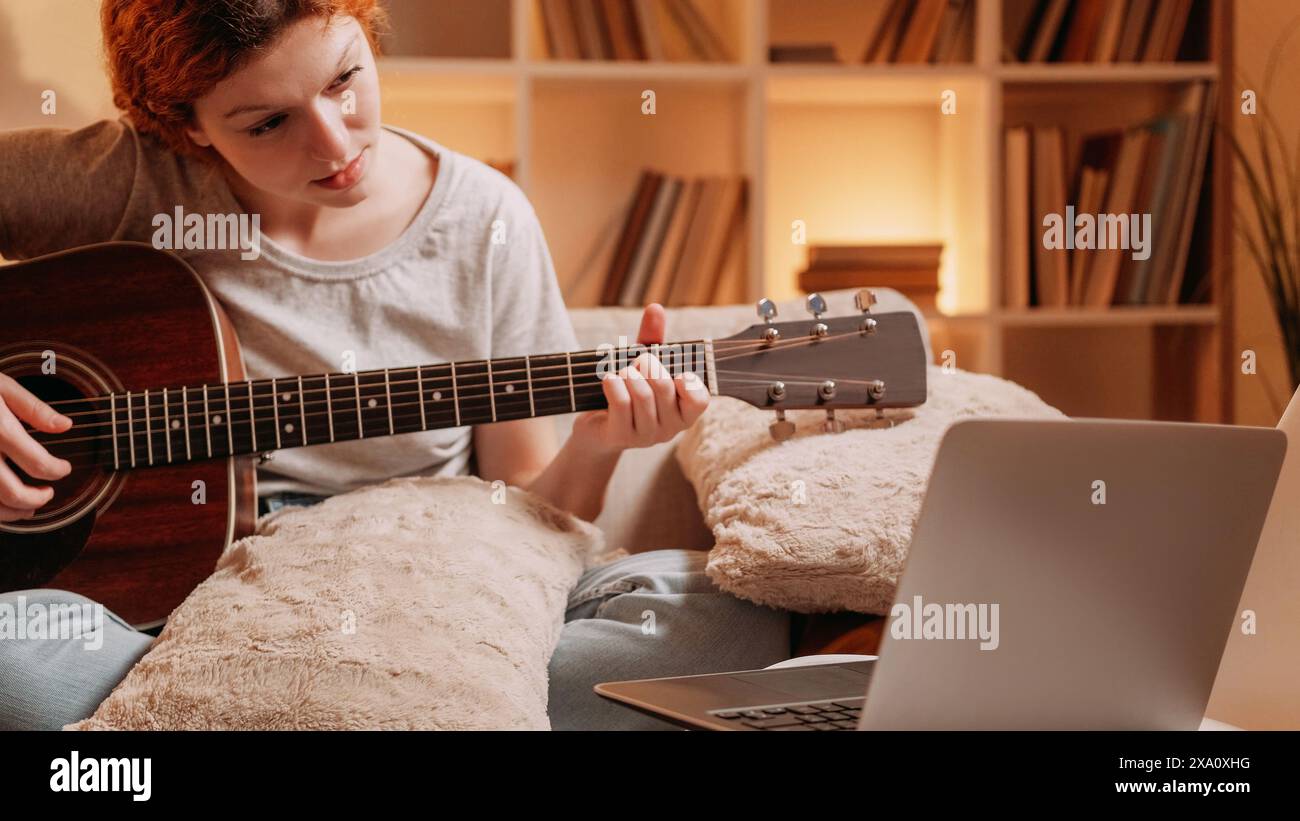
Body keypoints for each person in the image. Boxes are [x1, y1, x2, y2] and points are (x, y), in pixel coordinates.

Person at [0, 0, 791, 730]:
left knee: (720, 611)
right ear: (189, 126)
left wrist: (600, 439)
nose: (336, 143)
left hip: (431, 590)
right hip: (184, 607)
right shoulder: (133, 182)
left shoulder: (485, 220)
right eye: (269, 122)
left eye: (345, 78)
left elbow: (529, 513)